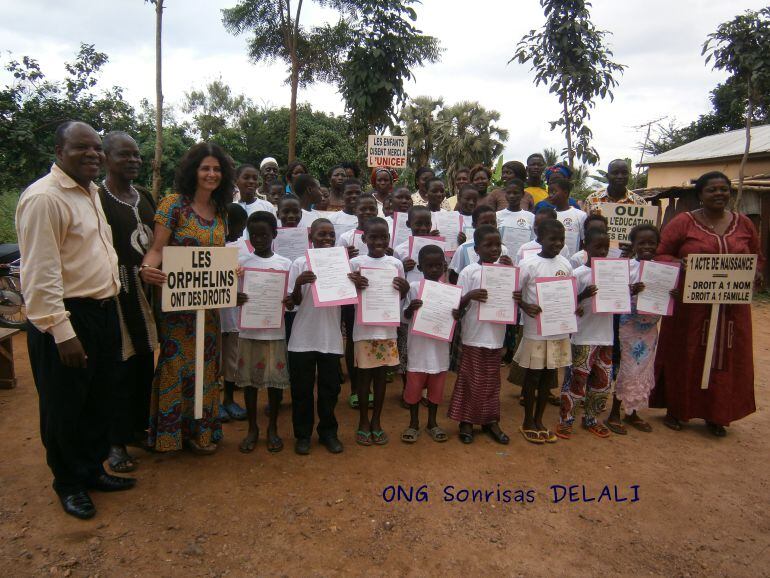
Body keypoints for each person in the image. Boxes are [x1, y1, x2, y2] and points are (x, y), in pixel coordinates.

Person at [17, 121, 133, 520]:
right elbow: (40, 275)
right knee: (64, 404)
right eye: (82, 147)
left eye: (97, 148)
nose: (93, 154)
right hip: (67, 319)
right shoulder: (44, 199)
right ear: (59, 150)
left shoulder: (91, 192)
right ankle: (68, 483)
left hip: (103, 310)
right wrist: (63, 333)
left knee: (99, 397)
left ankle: (92, 469)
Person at [652, 171, 763, 436]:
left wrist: (755, 272)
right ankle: (678, 410)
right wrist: (684, 265)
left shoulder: (744, 224)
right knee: (685, 355)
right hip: (689, 309)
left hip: (731, 310)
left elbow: (758, 257)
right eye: (712, 190)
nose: (719, 194)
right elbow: (660, 254)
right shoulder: (684, 223)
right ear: (700, 194)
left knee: (725, 358)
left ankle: (717, 414)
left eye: (723, 189)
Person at [140, 142, 233, 454]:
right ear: (193, 171)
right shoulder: (172, 205)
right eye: (205, 168)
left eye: (217, 169)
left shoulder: (220, 211)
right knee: (176, 364)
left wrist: (234, 272)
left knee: (206, 367)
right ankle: (169, 435)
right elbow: (156, 250)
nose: (211, 174)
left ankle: (200, 434)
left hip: (208, 308)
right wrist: (145, 270)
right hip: (178, 308)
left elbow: (220, 258)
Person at [96, 132, 158, 474]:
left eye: (136, 155)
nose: (133, 160)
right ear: (106, 158)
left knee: (144, 363)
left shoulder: (144, 196)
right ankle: (114, 442)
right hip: (116, 290)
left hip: (145, 291)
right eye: (124, 155)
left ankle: (136, 427)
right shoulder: (98, 198)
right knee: (117, 366)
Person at [605, 224, 675, 435]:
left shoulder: (663, 270)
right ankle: (615, 413)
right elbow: (613, 294)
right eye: (641, 243)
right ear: (633, 245)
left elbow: (668, 296)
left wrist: (673, 295)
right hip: (628, 326)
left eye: (651, 243)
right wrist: (630, 291)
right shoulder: (626, 267)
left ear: (657, 245)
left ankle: (633, 412)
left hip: (650, 329)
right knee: (627, 369)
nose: (647, 247)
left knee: (643, 370)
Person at [448, 225, 513, 445]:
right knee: (470, 378)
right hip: (474, 334)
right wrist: (469, 296)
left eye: (498, 244)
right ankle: (466, 421)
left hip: (496, 333)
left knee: (492, 380)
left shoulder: (506, 270)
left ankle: (490, 420)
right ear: (477, 248)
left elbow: (515, 297)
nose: (495, 249)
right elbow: (456, 307)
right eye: (489, 245)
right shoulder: (469, 272)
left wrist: (511, 273)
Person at [348, 217, 409, 446]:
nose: (379, 241)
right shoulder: (355, 263)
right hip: (363, 330)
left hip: (386, 331)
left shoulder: (395, 263)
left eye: (383, 237)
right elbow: (346, 297)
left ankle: (376, 421)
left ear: (389, 238)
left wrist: (404, 290)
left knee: (381, 378)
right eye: (373, 237)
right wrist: (352, 284)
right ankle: (363, 421)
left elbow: (399, 297)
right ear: (364, 238)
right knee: (364, 378)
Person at [287, 219, 345, 455]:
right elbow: (292, 304)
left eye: (331, 235)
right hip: (302, 337)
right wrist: (298, 285)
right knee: (301, 389)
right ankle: (302, 435)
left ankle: (328, 432)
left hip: (330, 336)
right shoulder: (300, 263)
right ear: (311, 236)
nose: (328, 239)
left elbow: (347, 298)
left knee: (330, 389)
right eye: (322, 234)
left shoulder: (342, 262)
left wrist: (354, 284)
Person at [237, 212, 293, 453]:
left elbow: (291, 300)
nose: (259, 239)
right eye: (254, 235)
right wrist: (235, 298)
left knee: (274, 385)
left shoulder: (284, 264)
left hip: (274, 332)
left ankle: (272, 428)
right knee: (249, 385)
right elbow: (230, 294)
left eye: (264, 234)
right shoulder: (242, 264)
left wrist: (287, 300)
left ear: (274, 235)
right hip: (248, 332)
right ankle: (252, 428)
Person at [514, 219, 573, 444]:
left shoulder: (565, 264)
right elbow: (516, 294)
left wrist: (572, 308)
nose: (557, 243)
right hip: (535, 330)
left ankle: (540, 420)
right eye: (552, 239)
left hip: (558, 330)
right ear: (540, 239)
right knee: (533, 377)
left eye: (561, 240)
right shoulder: (528, 264)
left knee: (548, 378)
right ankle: (528, 420)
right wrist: (525, 307)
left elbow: (568, 293)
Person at [557, 228, 616, 440]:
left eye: (606, 248)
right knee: (576, 381)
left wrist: (630, 292)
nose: (602, 251)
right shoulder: (579, 274)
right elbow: (565, 302)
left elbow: (620, 301)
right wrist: (581, 296)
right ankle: (566, 419)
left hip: (605, 336)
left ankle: (591, 418)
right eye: (597, 247)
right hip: (583, 336)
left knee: (602, 383)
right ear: (586, 248)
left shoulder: (613, 273)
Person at [401, 244, 455, 444]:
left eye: (438, 265)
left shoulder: (450, 291)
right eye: (429, 266)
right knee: (414, 388)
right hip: (419, 348)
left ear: (445, 265)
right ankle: (413, 423)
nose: (434, 269)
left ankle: (432, 422)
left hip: (439, 349)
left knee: (436, 388)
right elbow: (404, 317)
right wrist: (411, 309)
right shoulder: (415, 287)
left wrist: (458, 315)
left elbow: (454, 319)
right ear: (420, 267)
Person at [219, 203, 249, 424]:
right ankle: (211, 402)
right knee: (213, 359)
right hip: (214, 314)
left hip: (234, 315)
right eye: (238, 227)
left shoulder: (244, 248)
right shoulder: (209, 246)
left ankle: (228, 399)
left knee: (232, 359)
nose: (240, 232)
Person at [448, 205, 509, 284]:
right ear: (474, 225)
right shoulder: (463, 249)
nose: (489, 226)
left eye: (493, 222)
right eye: (484, 223)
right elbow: (454, 276)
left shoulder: (503, 249)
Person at [547, 177, 586, 258]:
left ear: (565, 192)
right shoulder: (549, 216)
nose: (550, 195)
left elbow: (583, 242)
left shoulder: (580, 215)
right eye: (549, 192)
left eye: (554, 192)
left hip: (572, 264)